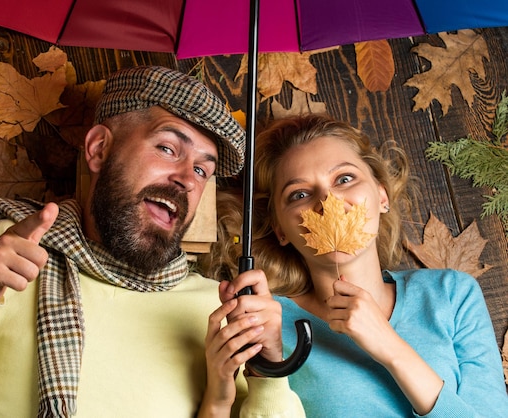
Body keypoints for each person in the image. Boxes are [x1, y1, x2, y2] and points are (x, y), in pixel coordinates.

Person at [0, 66, 303, 418]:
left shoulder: (221, 311)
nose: (185, 180)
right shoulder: (8, 255)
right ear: (99, 149)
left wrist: (268, 372)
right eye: (167, 148)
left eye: (202, 171)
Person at [200, 113, 508, 417]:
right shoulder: (266, 323)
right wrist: (268, 366)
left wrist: (389, 346)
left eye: (344, 179)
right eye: (300, 194)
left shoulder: (451, 294)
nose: (327, 201)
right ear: (280, 229)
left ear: (381, 195)